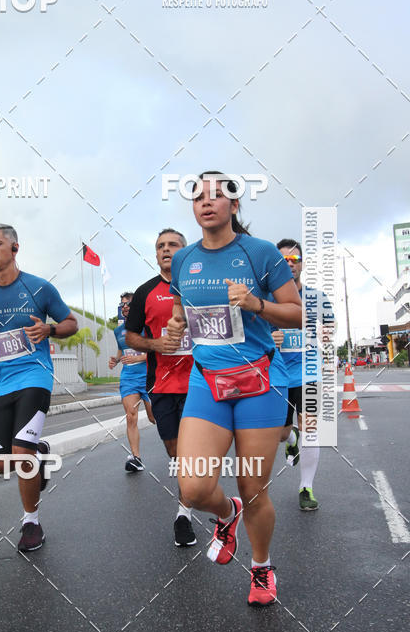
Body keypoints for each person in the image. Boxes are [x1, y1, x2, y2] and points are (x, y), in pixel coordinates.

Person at [167, 172, 302, 606]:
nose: (207, 203)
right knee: (193, 489)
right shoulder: (185, 259)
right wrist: (175, 327)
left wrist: (256, 304)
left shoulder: (260, 253)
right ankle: (227, 516)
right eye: (198, 197)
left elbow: (297, 314)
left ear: (235, 205)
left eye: (217, 196)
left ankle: (261, 568)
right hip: (207, 382)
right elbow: (181, 313)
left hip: (259, 382)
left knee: (252, 487)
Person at [0, 223, 78, 552]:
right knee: (3, 463)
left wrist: (50, 330)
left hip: (35, 375)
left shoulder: (39, 288)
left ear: (15, 249)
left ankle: (31, 522)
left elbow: (71, 323)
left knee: (21, 454)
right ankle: (39, 453)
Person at [125, 228, 197, 546]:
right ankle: (193, 497)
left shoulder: (199, 286)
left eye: (172, 245)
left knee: (190, 451)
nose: (165, 250)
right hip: (162, 384)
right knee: (174, 450)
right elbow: (130, 336)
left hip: (200, 382)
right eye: (160, 246)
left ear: (185, 251)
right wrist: (157, 344)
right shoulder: (145, 292)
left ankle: (184, 513)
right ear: (155, 254)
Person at [271, 239, 335, 512]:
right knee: (282, 434)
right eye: (283, 260)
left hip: (309, 369)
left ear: (301, 264)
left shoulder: (316, 297)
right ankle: (292, 439)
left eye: (293, 260)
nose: (289, 265)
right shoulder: (267, 299)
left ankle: (306, 487)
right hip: (279, 373)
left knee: (310, 427)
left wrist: (326, 333)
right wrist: (269, 337)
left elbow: (330, 323)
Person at [109, 293, 155, 471]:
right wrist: (116, 360)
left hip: (149, 377)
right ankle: (136, 458)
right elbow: (122, 349)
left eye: (128, 303)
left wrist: (139, 359)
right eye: (122, 305)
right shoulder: (118, 331)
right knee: (131, 417)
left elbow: (156, 351)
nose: (125, 307)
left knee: (154, 417)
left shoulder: (147, 326)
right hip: (128, 378)